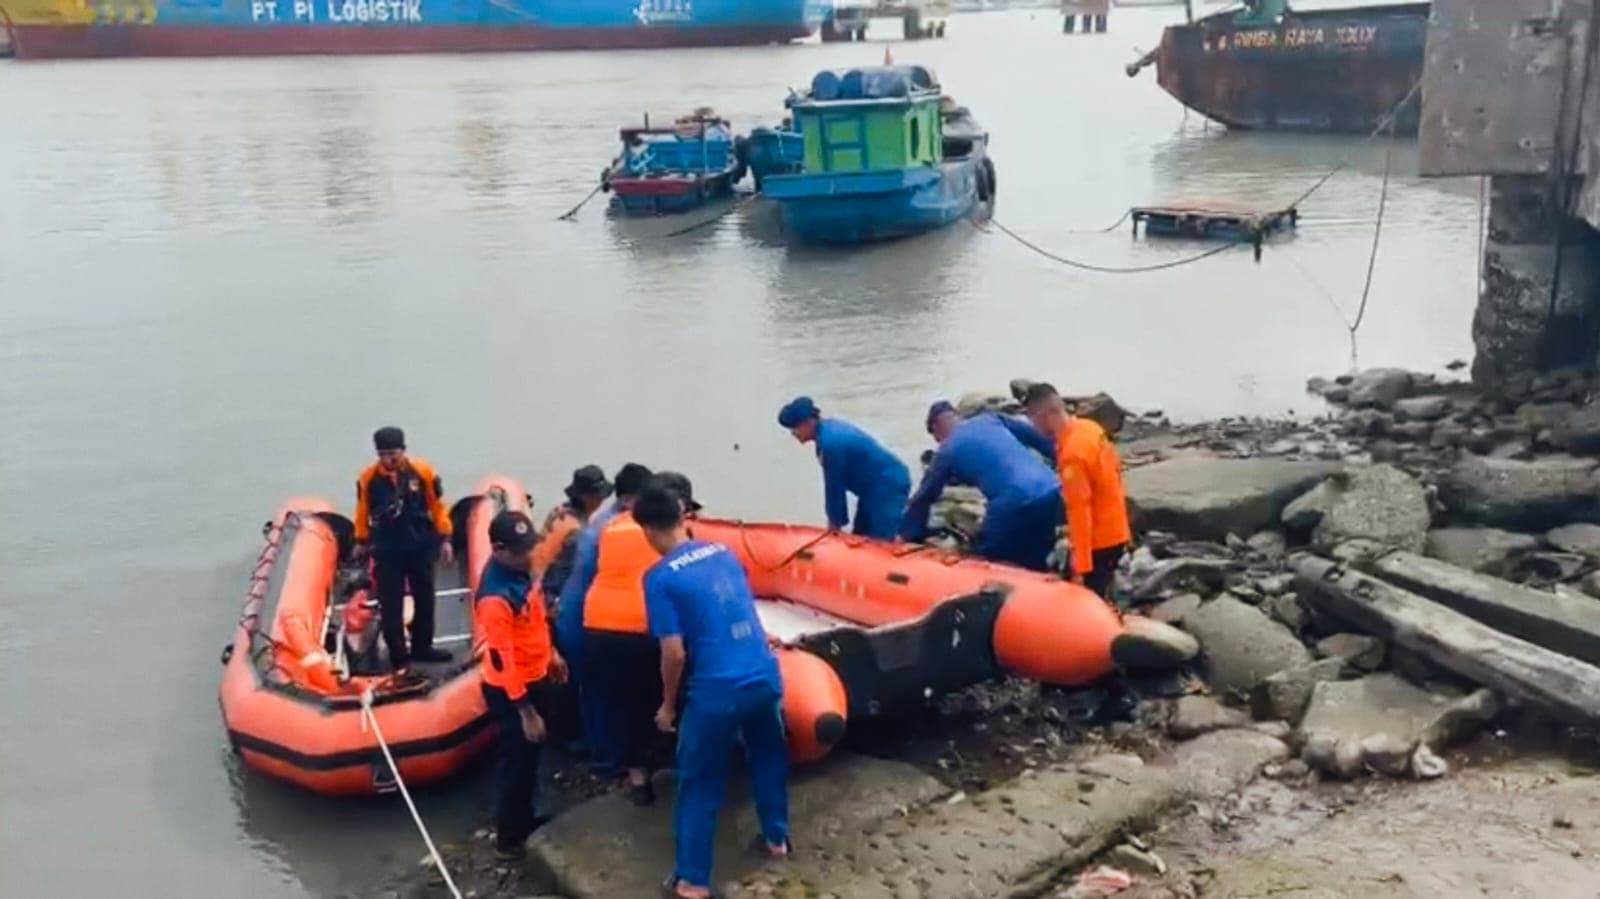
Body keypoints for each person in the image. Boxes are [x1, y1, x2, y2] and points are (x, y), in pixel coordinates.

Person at [635, 483, 789, 899]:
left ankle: (692, 882)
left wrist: (667, 706)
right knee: (768, 757)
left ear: (647, 530)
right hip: (763, 675)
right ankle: (777, 840)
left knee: (700, 783)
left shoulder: (660, 578)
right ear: (683, 517)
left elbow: (674, 653)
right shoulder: (724, 553)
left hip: (717, 691)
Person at [559, 462, 662, 802]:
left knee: (601, 695)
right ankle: (608, 762)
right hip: (593, 621)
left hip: (589, 618)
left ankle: (609, 758)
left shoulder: (601, 525)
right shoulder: (616, 529)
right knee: (604, 696)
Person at [476, 510, 568, 859]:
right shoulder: (495, 597)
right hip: (512, 690)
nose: (528, 555)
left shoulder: (522, 572)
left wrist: (552, 653)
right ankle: (509, 836)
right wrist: (526, 711)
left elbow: (535, 619)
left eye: (529, 548)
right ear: (498, 549)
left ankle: (525, 816)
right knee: (516, 762)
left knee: (530, 759)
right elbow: (503, 659)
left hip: (537, 672)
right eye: (519, 551)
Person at [900, 401, 1064, 571]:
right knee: (1037, 555)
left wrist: (908, 536)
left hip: (1012, 502)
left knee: (987, 561)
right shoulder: (990, 419)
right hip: (1051, 488)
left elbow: (925, 496)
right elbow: (1040, 439)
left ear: (935, 428)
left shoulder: (947, 450)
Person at [353, 426, 454, 674]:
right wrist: (361, 540)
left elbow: (437, 506)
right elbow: (362, 511)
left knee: (425, 597)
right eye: (385, 454)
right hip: (388, 550)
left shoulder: (422, 473)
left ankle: (423, 647)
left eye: (394, 453)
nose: (390, 459)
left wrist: (446, 537)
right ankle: (399, 659)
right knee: (391, 606)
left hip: (419, 545)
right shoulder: (368, 479)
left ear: (403, 451)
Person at [1023, 382, 1132, 598]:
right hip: (1117, 529)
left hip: (1099, 542)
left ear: (1045, 415)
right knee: (1108, 592)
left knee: (1095, 600)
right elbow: (1116, 473)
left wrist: (1081, 567)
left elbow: (1079, 510)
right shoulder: (1089, 428)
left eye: (1033, 419)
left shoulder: (1073, 456)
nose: (1033, 427)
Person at [777, 396, 911, 540]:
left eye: (795, 429)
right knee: (860, 536)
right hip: (871, 490)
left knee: (880, 542)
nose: (793, 434)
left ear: (807, 423)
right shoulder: (828, 431)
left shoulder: (831, 443)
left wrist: (833, 528)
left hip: (888, 485)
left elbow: (834, 489)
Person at [534, 464, 613, 602]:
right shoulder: (576, 532)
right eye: (599, 496)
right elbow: (565, 574)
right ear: (586, 497)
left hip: (535, 578)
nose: (602, 500)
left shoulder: (559, 511)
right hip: (547, 593)